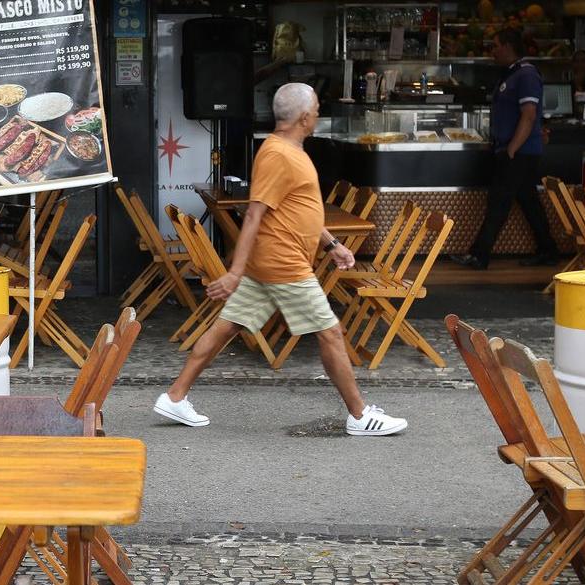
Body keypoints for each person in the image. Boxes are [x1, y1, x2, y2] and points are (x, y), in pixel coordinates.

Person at [152, 82, 408, 437]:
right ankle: (360, 415)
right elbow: (254, 214)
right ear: (304, 116)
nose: (318, 112)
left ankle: (174, 396)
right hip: (283, 264)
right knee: (332, 332)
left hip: (271, 263)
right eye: (316, 107)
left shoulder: (289, 150)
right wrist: (234, 273)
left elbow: (296, 208)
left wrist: (332, 243)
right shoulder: (278, 154)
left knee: (228, 325)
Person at [449, 28, 559, 270]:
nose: (492, 51)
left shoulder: (526, 75)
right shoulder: (511, 74)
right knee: (529, 201)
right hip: (514, 149)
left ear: (508, 46)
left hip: (519, 151)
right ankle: (548, 250)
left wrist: (511, 149)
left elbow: (528, 115)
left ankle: (480, 255)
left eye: (496, 45)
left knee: (499, 201)